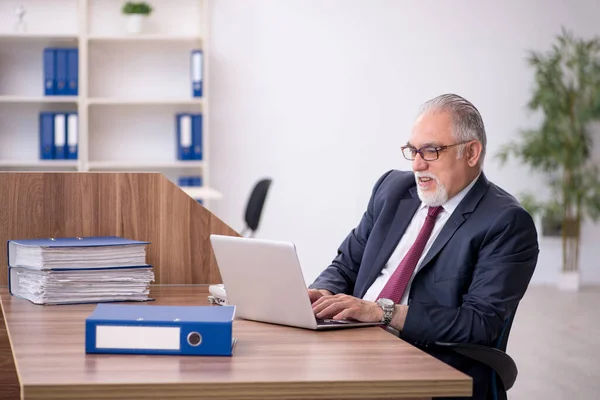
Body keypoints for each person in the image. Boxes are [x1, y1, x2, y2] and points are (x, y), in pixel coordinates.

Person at [308, 93, 539, 400]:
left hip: (428, 365)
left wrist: (382, 312)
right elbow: (347, 263)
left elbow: (480, 324)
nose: (417, 164)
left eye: (431, 151)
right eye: (413, 150)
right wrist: (321, 293)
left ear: (471, 153)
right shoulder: (392, 189)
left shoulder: (506, 222)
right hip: (354, 347)